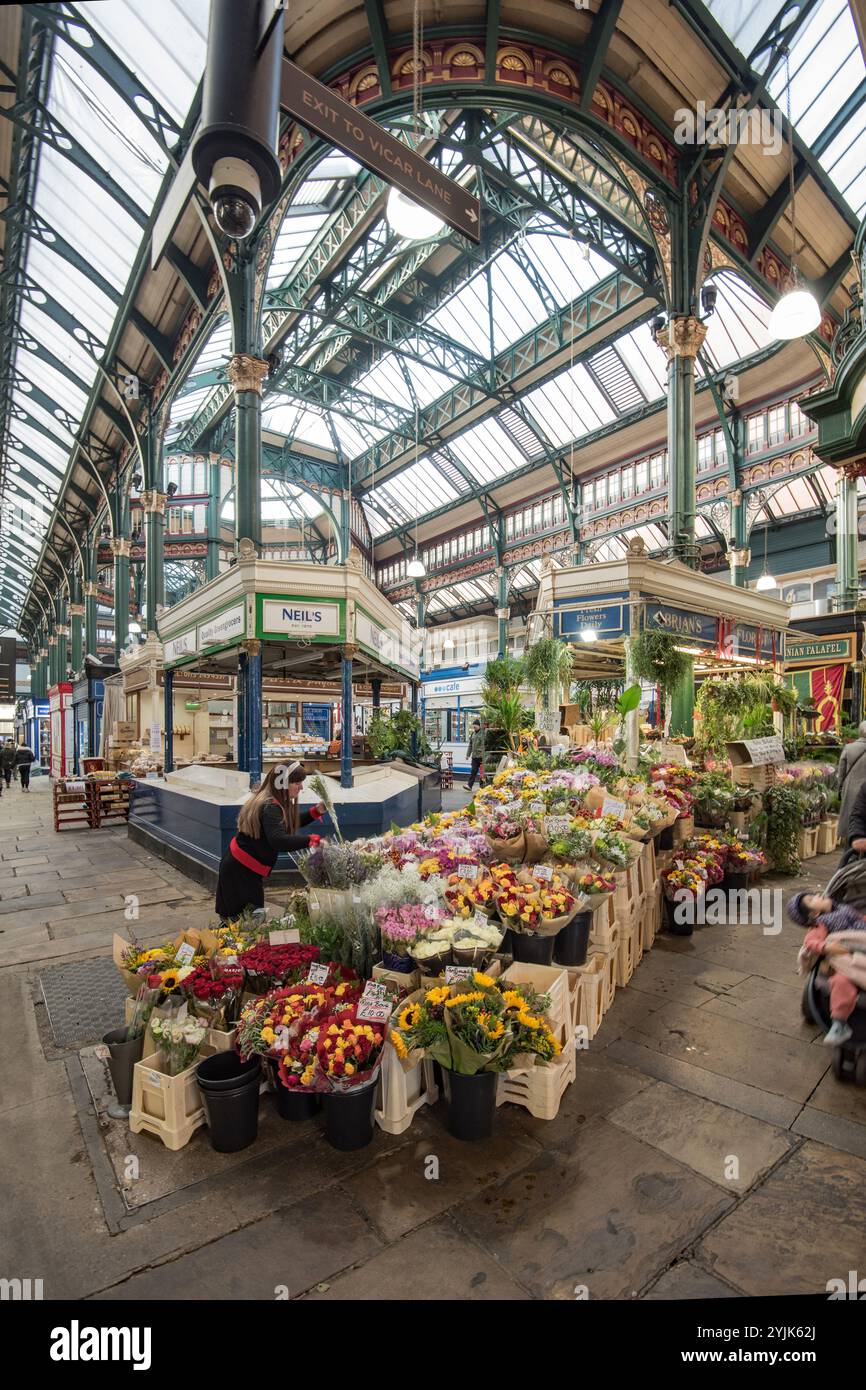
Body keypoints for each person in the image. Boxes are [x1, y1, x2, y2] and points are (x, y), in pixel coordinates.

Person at [215, 762, 328, 920]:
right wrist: (310, 840)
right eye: (296, 783)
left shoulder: (270, 800)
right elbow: (278, 840)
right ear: (282, 784)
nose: (301, 787)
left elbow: (284, 824)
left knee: (245, 922)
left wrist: (316, 812)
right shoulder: (271, 807)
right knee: (243, 924)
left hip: (241, 869)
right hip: (241, 874)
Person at [789, 892, 866, 1045]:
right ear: (814, 913)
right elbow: (810, 942)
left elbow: (861, 919)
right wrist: (826, 947)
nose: (818, 894)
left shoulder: (845, 909)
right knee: (840, 981)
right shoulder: (821, 923)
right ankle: (839, 1023)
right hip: (846, 954)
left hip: (861, 940)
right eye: (812, 899)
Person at [837, 721, 866, 845]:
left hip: (850, 788)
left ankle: (850, 842)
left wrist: (840, 787)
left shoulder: (849, 748)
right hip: (864, 791)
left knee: (851, 817)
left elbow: (841, 771)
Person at [464, 719, 486, 791]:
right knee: (473, 771)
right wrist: (468, 755)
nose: (474, 727)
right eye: (473, 726)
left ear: (479, 726)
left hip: (482, 756)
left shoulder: (483, 733)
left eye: (475, 726)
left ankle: (482, 787)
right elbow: (470, 745)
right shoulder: (473, 734)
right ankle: (469, 786)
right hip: (474, 757)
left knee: (482, 773)